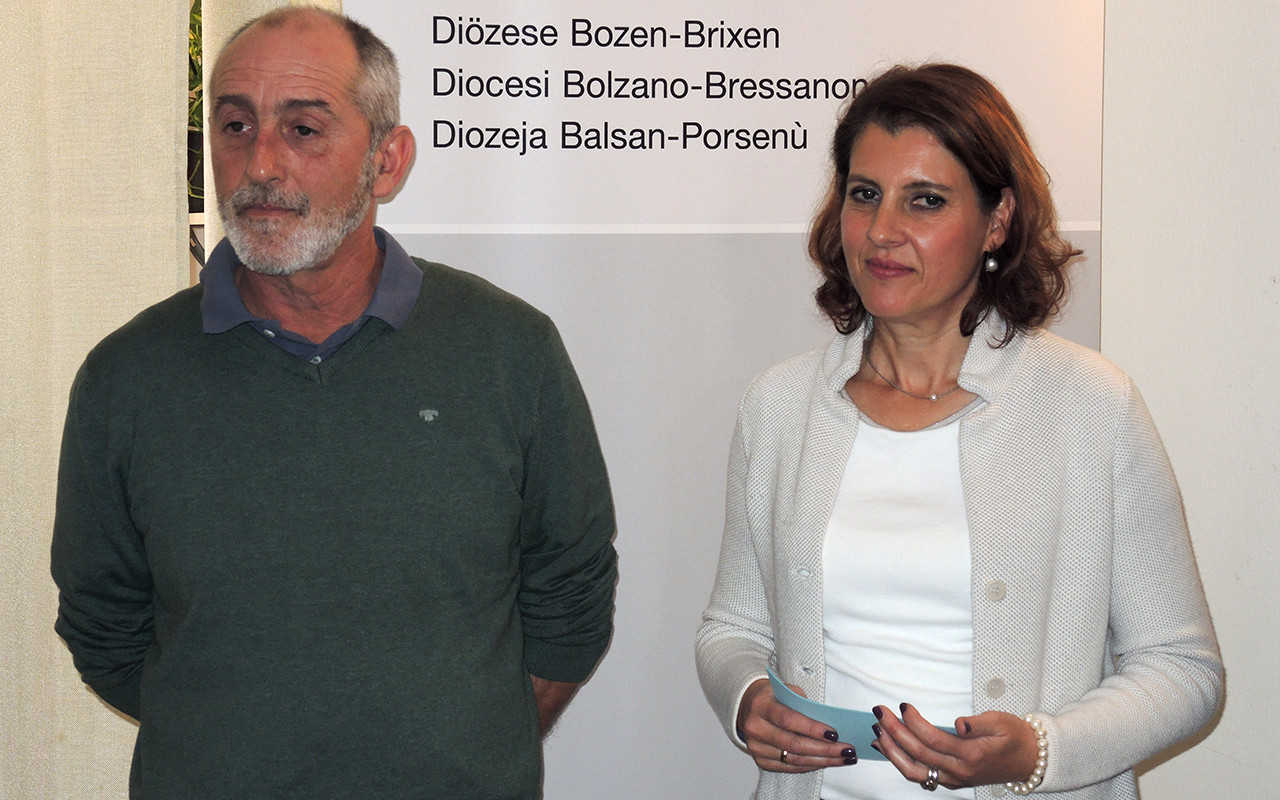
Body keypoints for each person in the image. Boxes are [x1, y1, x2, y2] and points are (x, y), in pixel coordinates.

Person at [51, 8, 617, 799]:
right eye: (235, 126)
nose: (261, 164)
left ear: (387, 160)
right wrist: (237, 744)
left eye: (304, 130)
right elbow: (103, 623)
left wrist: (466, 740)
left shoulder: (508, 350)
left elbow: (572, 595)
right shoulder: (127, 376)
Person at [695, 63, 1222, 800]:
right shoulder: (779, 406)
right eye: (864, 194)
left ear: (996, 221)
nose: (883, 230)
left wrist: (1039, 751)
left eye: (926, 201)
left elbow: (1183, 668)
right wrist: (747, 697)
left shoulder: (1090, 405)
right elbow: (732, 626)